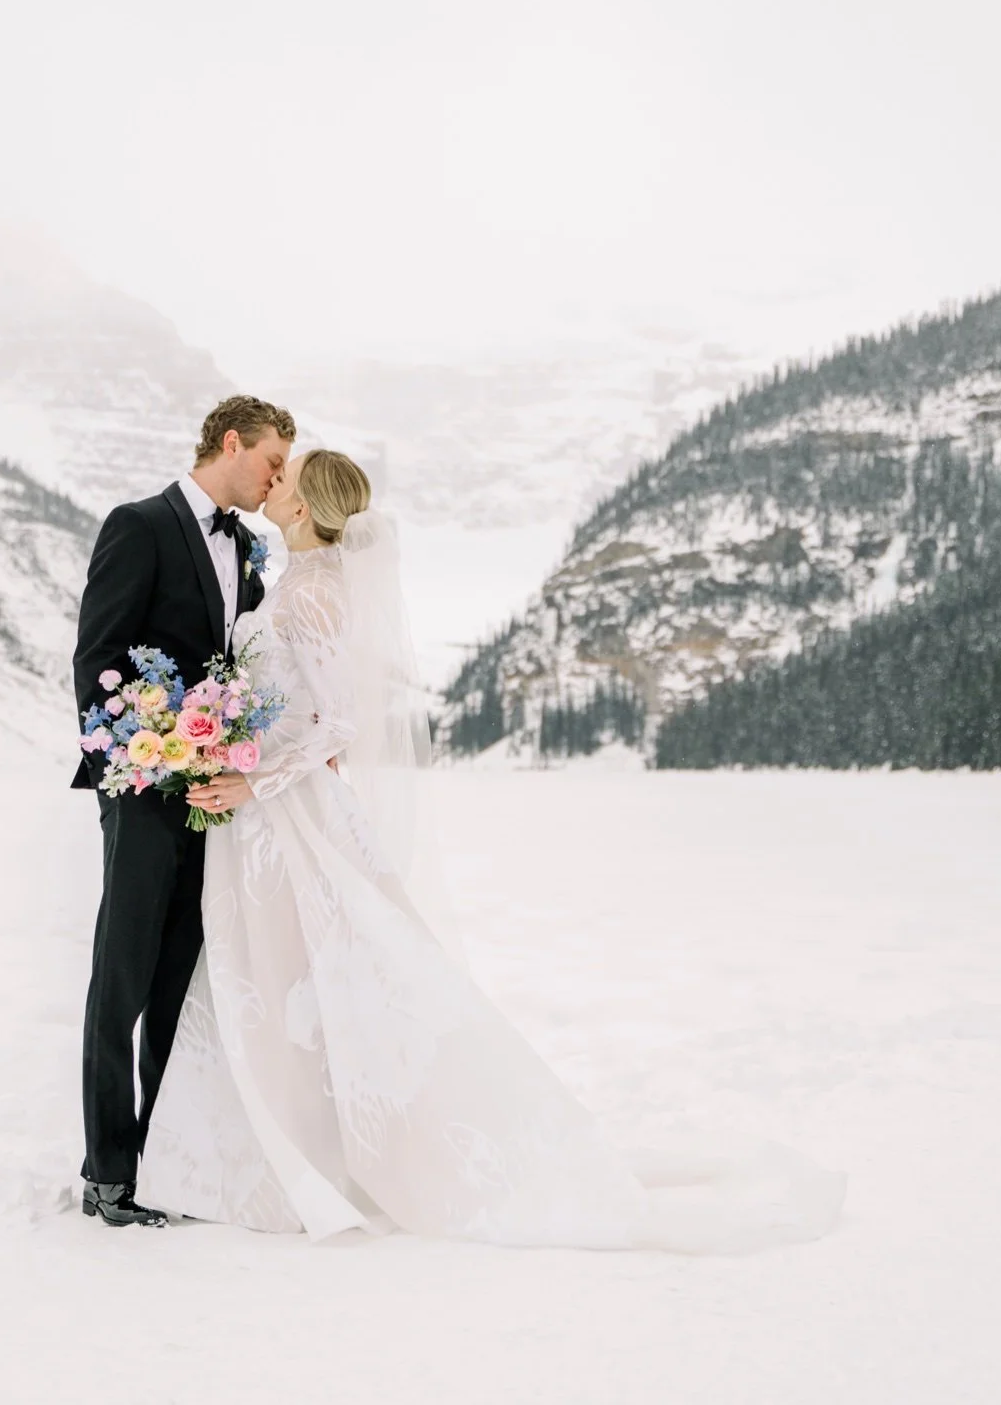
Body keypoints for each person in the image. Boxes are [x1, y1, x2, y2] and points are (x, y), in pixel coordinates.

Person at [136, 449, 655, 1245]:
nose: (271, 481)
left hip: (287, 815)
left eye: (286, 478)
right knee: (270, 978)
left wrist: (252, 779)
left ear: (305, 508)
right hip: (258, 814)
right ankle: (258, 1156)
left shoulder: (316, 598)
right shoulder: (293, 581)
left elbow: (340, 723)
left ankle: (310, 1162)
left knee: (299, 978)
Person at [69, 395, 294, 1228]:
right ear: (230, 442)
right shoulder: (138, 524)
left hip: (215, 804)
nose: (276, 479)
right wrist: (139, 764)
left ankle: (162, 1167)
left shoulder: (251, 552)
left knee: (178, 987)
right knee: (119, 982)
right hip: (142, 793)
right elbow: (98, 661)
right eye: (272, 461)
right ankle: (105, 1173)